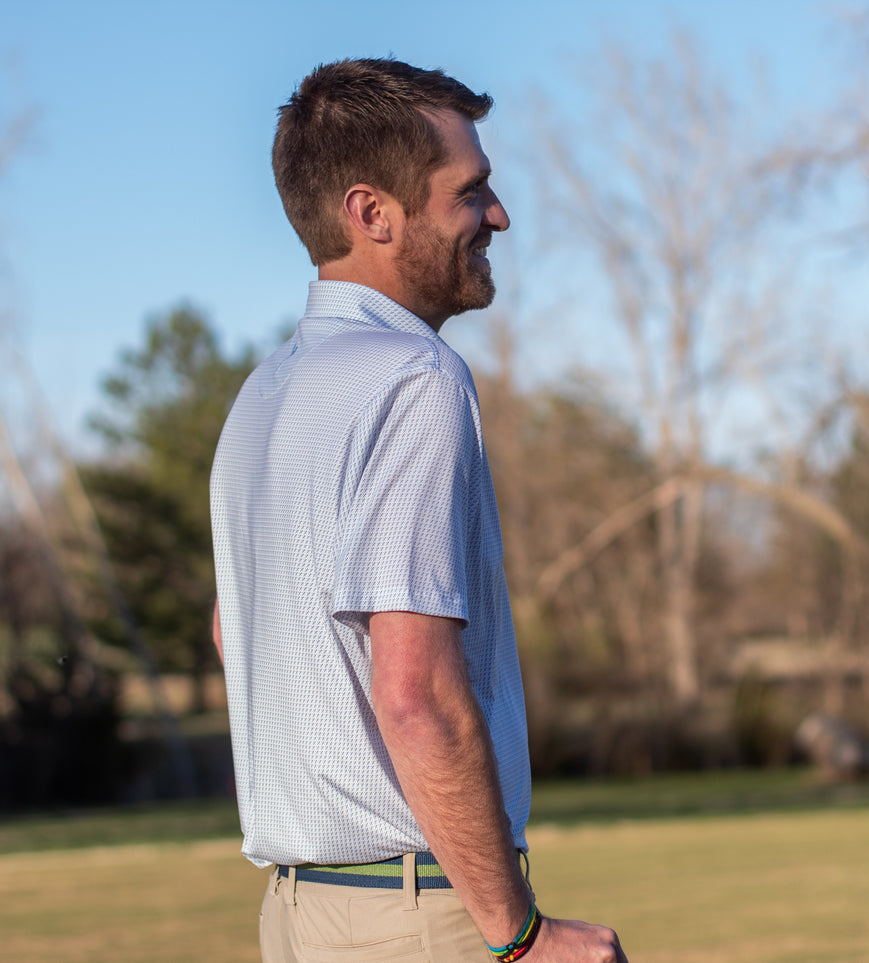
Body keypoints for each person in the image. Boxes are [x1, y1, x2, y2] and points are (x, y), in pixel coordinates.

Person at [209, 59, 627, 962]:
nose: (498, 215)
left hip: (297, 917)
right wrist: (516, 935)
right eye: (469, 192)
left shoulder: (262, 396)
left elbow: (229, 632)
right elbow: (416, 691)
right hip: (417, 918)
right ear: (372, 214)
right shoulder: (416, 380)